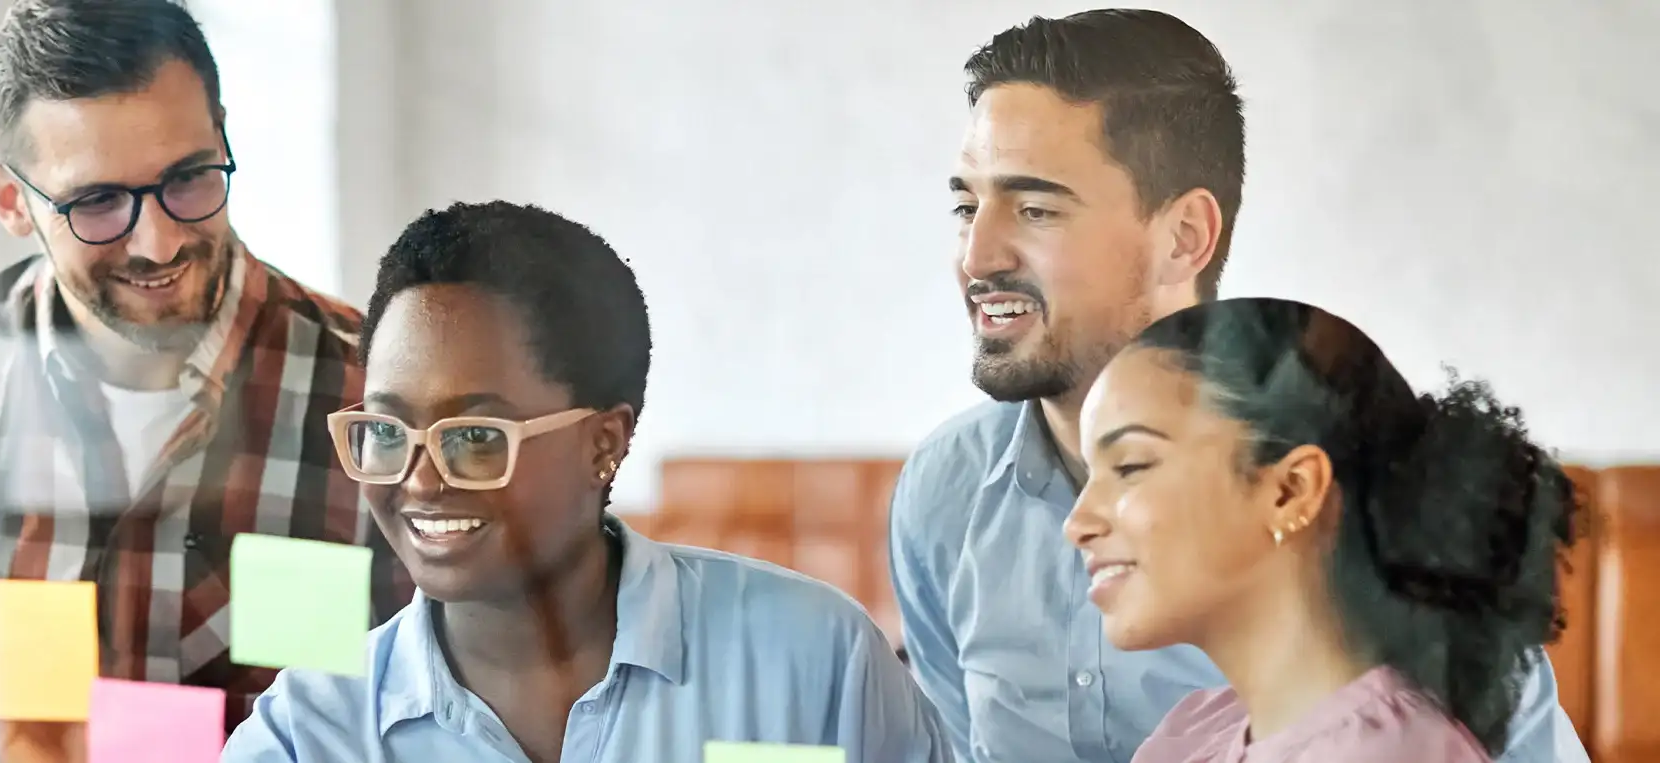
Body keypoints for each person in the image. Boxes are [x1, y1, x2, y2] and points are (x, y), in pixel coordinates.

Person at [888, 9, 1587, 763]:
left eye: (1035, 208)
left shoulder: (1361, 495)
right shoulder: (941, 495)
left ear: (1185, 236)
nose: (976, 253)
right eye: (966, 206)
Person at [222, 201, 950, 763]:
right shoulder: (314, 732)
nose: (419, 480)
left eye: (475, 437)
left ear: (604, 441)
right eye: (385, 432)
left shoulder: (810, 660)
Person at [0, 0, 410, 736]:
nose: (159, 242)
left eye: (191, 178)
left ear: (223, 135)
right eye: (97, 202)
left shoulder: (375, 389)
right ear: (10, 201)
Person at [1066, 298, 1584, 761]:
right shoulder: (1190, 735)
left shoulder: (1397, 752)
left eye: (1131, 466)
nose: (1077, 523)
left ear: (1290, 491)